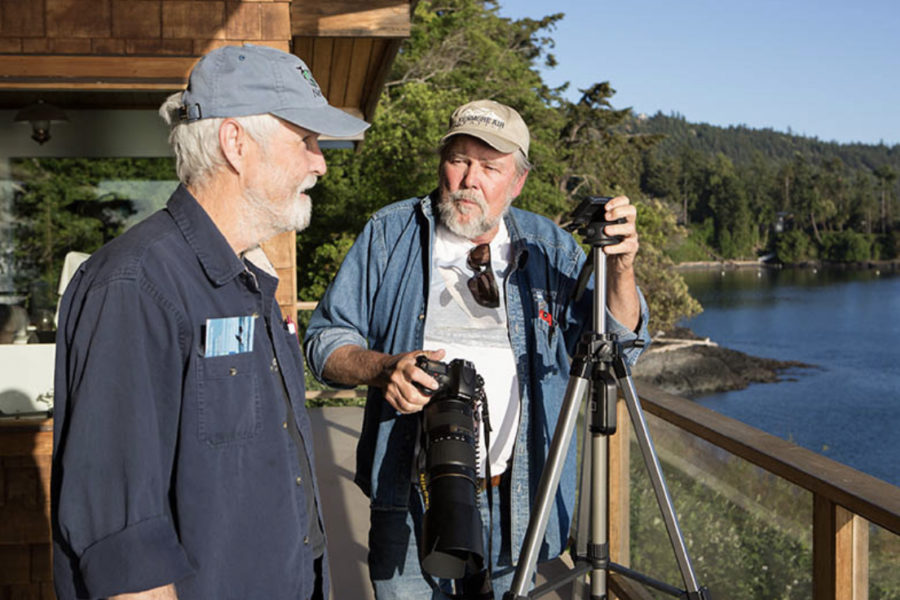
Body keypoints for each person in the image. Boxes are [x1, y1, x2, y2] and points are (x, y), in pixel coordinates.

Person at [51, 44, 368, 600]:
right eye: (306, 140)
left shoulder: (248, 280)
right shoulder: (135, 285)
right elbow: (121, 535)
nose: (320, 161)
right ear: (236, 144)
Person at [304, 99, 651, 598]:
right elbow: (324, 341)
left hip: (518, 496)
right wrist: (383, 369)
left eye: (490, 167)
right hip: (409, 493)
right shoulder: (390, 235)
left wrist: (620, 266)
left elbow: (620, 353)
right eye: (460, 159)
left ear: (517, 182)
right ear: (440, 163)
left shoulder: (551, 249)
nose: (470, 179)